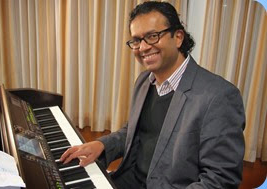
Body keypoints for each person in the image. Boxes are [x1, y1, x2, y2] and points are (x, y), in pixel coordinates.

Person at [60, 1, 245, 188]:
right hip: (127, 180)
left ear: (178, 37)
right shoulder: (144, 80)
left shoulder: (219, 96)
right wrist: (102, 145)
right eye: (137, 40)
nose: (143, 47)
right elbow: (133, 131)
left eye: (152, 36)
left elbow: (220, 180)